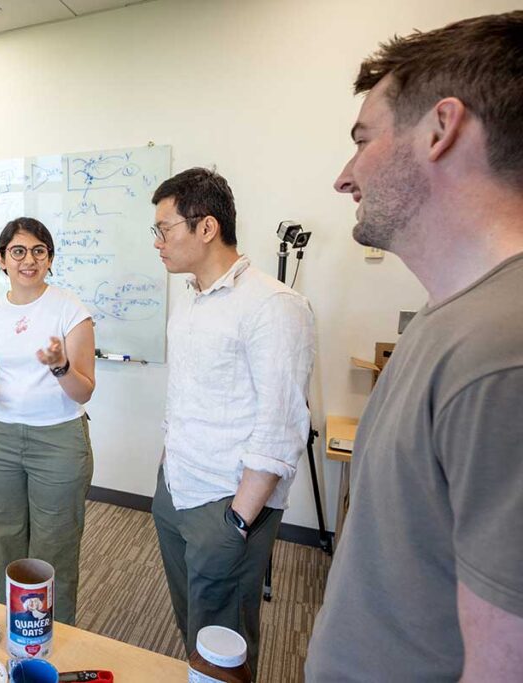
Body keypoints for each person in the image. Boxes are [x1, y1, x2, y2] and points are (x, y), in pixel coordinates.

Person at [305, 12, 523, 681]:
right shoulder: (448, 317)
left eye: (364, 139)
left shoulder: (501, 355)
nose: (345, 176)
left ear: (440, 127)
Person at [149, 168, 315, 678]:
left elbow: (281, 426)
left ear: (206, 228)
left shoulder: (274, 306)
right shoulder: (191, 298)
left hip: (227, 502)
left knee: (225, 637)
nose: (157, 242)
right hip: (177, 486)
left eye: (165, 228)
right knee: (192, 623)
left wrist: (238, 520)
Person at [0, 217, 96, 626]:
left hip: (58, 442)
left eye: (39, 251)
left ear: (50, 259)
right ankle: (16, 625)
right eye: (18, 251)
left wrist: (60, 367)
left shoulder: (70, 310)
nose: (29, 259)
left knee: (53, 547)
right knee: (6, 536)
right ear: (2, 259)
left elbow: (84, 391)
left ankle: (54, 636)